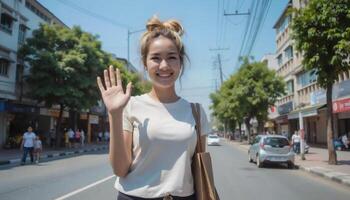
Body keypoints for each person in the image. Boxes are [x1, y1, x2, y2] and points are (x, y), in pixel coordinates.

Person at [97, 16, 210, 200]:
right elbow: (120, 169)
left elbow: (198, 168)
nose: (164, 66)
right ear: (145, 63)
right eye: (156, 58)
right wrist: (114, 114)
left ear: (180, 62)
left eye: (172, 57)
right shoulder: (130, 106)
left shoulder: (196, 112)